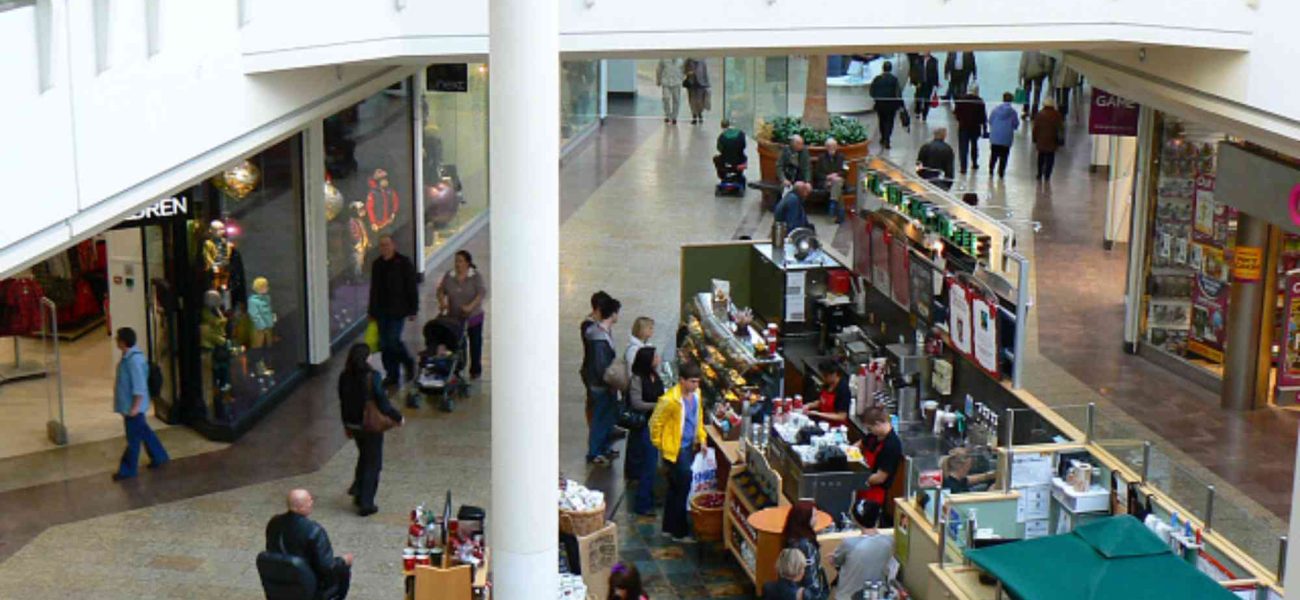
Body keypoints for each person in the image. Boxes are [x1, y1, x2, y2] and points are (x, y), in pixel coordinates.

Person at [339, 343, 405, 516]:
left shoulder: (345, 376)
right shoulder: (372, 376)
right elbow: (382, 401)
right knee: (373, 463)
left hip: (353, 424)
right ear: (366, 358)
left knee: (364, 456)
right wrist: (397, 417)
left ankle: (358, 490)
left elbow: (342, 401)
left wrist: (346, 424)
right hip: (370, 425)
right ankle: (366, 502)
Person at [648, 361, 706, 543]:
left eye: (697, 382)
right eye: (692, 381)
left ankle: (668, 527)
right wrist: (662, 445)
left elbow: (698, 419)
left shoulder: (696, 395)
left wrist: (702, 438)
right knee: (682, 488)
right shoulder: (669, 400)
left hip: (687, 447)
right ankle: (680, 532)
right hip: (676, 450)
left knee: (675, 489)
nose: (695, 385)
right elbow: (655, 424)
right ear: (682, 380)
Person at [265, 489, 353, 600]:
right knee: (343, 568)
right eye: (309, 501)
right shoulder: (314, 531)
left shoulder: (274, 523)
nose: (312, 503)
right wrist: (343, 560)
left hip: (278, 580)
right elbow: (327, 567)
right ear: (300, 507)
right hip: (307, 585)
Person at [111, 327, 170, 481]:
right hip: (131, 407)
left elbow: (139, 387)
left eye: (118, 338)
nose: (116, 340)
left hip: (133, 408)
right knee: (144, 432)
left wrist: (135, 408)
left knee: (133, 440)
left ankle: (127, 470)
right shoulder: (129, 358)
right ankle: (159, 456)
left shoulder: (133, 361)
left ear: (123, 342)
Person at [368, 235, 418, 386]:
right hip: (381, 310)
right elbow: (374, 289)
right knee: (384, 344)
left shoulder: (403, 263)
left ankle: (408, 362)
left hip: (398, 310)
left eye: (387, 244)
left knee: (392, 340)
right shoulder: (377, 264)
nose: (385, 248)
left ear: (393, 245)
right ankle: (392, 374)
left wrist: (413, 309)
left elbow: (411, 286)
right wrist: (371, 311)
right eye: (382, 245)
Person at [436, 249, 486, 378]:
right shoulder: (449, 275)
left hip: (474, 316)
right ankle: (458, 366)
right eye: (456, 261)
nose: (457, 264)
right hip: (455, 316)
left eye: (460, 261)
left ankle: (475, 369)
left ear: (467, 263)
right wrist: (442, 302)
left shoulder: (475, 276)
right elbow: (441, 290)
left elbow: (481, 293)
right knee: (457, 342)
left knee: (475, 342)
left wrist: (470, 306)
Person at [585, 294, 622, 467]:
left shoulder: (599, 333)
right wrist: (610, 382)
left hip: (605, 384)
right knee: (600, 419)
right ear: (612, 314)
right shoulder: (599, 339)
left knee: (607, 417)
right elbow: (601, 366)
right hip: (602, 385)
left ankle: (604, 448)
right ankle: (595, 452)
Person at [626, 346, 664, 516]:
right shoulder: (637, 379)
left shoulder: (655, 376)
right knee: (648, 464)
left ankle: (649, 496)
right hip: (644, 425)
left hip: (655, 423)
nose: (658, 359)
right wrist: (658, 405)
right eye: (655, 357)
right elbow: (636, 403)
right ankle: (642, 504)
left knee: (652, 463)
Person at [854, 407, 903, 527]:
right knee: (858, 517)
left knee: (868, 524)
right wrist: (851, 451)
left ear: (878, 424)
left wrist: (857, 479)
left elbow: (880, 477)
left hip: (875, 493)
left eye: (870, 429)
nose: (869, 432)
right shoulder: (874, 436)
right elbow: (860, 444)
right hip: (864, 486)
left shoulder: (892, 445)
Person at [830, 521, 894, 600]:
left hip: (849, 595)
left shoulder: (849, 543)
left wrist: (833, 559)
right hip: (875, 593)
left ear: (856, 521)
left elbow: (836, 561)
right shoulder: (889, 541)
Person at [781, 500, 828, 600]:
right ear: (805, 519)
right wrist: (817, 595)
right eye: (814, 516)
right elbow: (811, 575)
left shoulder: (790, 537)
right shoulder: (806, 545)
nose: (816, 519)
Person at [581, 290, 613, 427]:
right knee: (594, 406)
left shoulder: (600, 325)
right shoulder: (589, 327)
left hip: (599, 369)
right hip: (593, 371)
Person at [953, 83, 988, 174]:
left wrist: (961, 120)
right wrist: (984, 129)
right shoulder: (979, 101)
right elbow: (983, 117)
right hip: (975, 127)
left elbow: (956, 113)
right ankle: (974, 163)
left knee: (963, 148)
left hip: (963, 127)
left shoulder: (961, 100)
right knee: (974, 145)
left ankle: (963, 167)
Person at [869, 61, 903, 150]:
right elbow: (898, 93)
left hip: (880, 105)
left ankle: (883, 137)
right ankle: (887, 139)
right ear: (890, 69)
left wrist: (877, 98)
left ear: (883, 68)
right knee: (889, 122)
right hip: (891, 105)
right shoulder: (894, 79)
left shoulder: (877, 79)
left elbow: (871, 92)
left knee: (882, 121)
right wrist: (900, 104)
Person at [987, 92, 1020, 178]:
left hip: (995, 137)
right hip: (1006, 137)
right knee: (1004, 156)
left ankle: (991, 169)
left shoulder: (995, 110)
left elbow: (990, 121)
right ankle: (1001, 172)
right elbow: (1016, 125)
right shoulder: (1013, 112)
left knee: (993, 154)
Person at [1032, 98, 1065, 181]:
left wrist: (1034, 138)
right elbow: (1060, 129)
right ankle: (1047, 175)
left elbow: (1035, 128)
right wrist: (1061, 140)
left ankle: (1039, 173)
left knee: (1040, 157)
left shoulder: (1039, 114)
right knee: (1050, 158)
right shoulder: (1057, 115)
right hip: (1052, 140)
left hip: (1041, 140)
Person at [817, 138, 848, 224]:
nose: (832, 148)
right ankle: (839, 213)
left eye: (834, 146)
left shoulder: (842, 157)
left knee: (837, 182)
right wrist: (828, 177)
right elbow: (817, 173)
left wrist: (836, 175)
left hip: (839, 180)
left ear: (837, 147)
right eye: (830, 147)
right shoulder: (821, 158)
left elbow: (846, 171)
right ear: (826, 147)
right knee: (838, 189)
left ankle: (833, 204)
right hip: (826, 182)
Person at [1018, 51, 1054, 119]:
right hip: (1039, 74)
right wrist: (1046, 73)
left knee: (1026, 93)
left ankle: (1025, 111)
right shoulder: (1043, 50)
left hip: (1027, 75)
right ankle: (1034, 112)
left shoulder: (1026, 51)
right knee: (1037, 94)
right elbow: (1047, 64)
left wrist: (1020, 76)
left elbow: (1023, 63)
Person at [655, 58, 684, 124]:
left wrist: (681, 79)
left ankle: (674, 117)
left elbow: (683, 71)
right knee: (666, 98)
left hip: (676, 83)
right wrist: (658, 80)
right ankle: (667, 115)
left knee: (676, 100)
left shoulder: (681, 60)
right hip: (666, 82)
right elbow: (659, 70)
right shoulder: (664, 59)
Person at [683, 58, 711, 124]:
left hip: (701, 83)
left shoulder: (703, 61)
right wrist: (688, 73)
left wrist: (707, 83)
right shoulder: (688, 61)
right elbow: (684, 71)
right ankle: (694, 115)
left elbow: (705, 73)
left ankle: (700, 113)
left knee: (699, 101)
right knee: (692, 101)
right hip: (691, 84)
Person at [916, 52, 941, 122]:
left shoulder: (934, 60)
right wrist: (915, 81)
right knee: (918, 97)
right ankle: (918, 111)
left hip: (929, 82)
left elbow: (935, 72)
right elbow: (916, 71)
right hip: (920, 82)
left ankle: (924, 115)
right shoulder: (919, 59)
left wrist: (936, 83)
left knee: (927, 98)